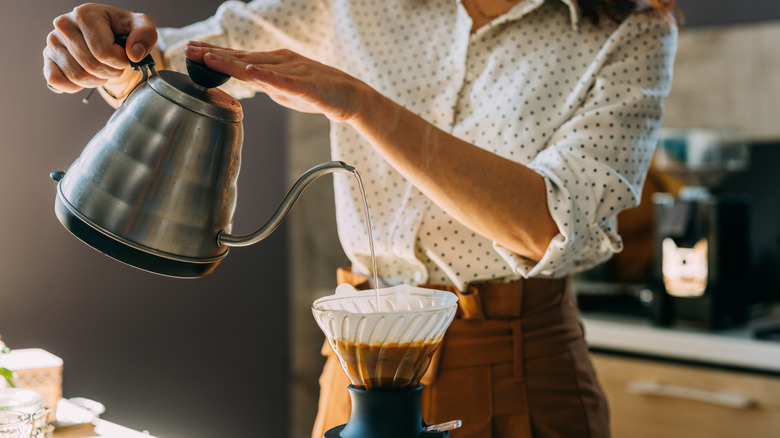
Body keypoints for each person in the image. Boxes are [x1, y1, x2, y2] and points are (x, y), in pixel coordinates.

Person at [43, 0, 679, 436]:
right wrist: (110, 47)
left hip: (518, 365)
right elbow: (184, 59)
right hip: (357, 359)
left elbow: (553, 222)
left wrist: (363, 106)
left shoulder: (632, 30)